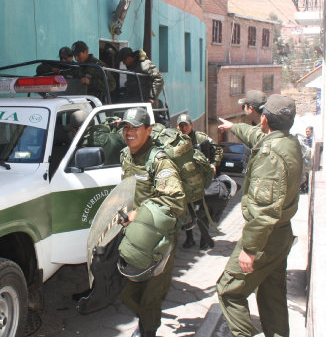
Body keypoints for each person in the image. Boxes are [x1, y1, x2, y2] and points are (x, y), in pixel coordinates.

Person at [216, 94, 302, 337]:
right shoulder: (288, 143)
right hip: (281, 235)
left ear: (264, 118)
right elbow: (257, 136)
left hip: (266, 238)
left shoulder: (270, 155)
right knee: (272, 297)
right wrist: (235, 127)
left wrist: (250, 249)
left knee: (229, 291)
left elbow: (264, 211)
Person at [118, 107, 186, 337]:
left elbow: (175, 201)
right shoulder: (126, 155)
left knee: (151, 295)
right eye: (126, 127)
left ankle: (148, 331)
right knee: (129, 293)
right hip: (137, 235)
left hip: (160, 240)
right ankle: (146, 324)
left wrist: (140, 213)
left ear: (148, 130)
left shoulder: (159, 161)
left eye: (135, 128)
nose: (129, 132)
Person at [177, 113, 223, 250]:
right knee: (187, 211)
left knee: (202, 210)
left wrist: (214, 164)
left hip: (201, 181)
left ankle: (204, 239)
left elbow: (218, 150)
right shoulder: (176, 140)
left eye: (186, 125)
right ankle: (189, 238)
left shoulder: (201, 138)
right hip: (185, 181)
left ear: (191, 125)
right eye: (180, 125)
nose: (183, 128)